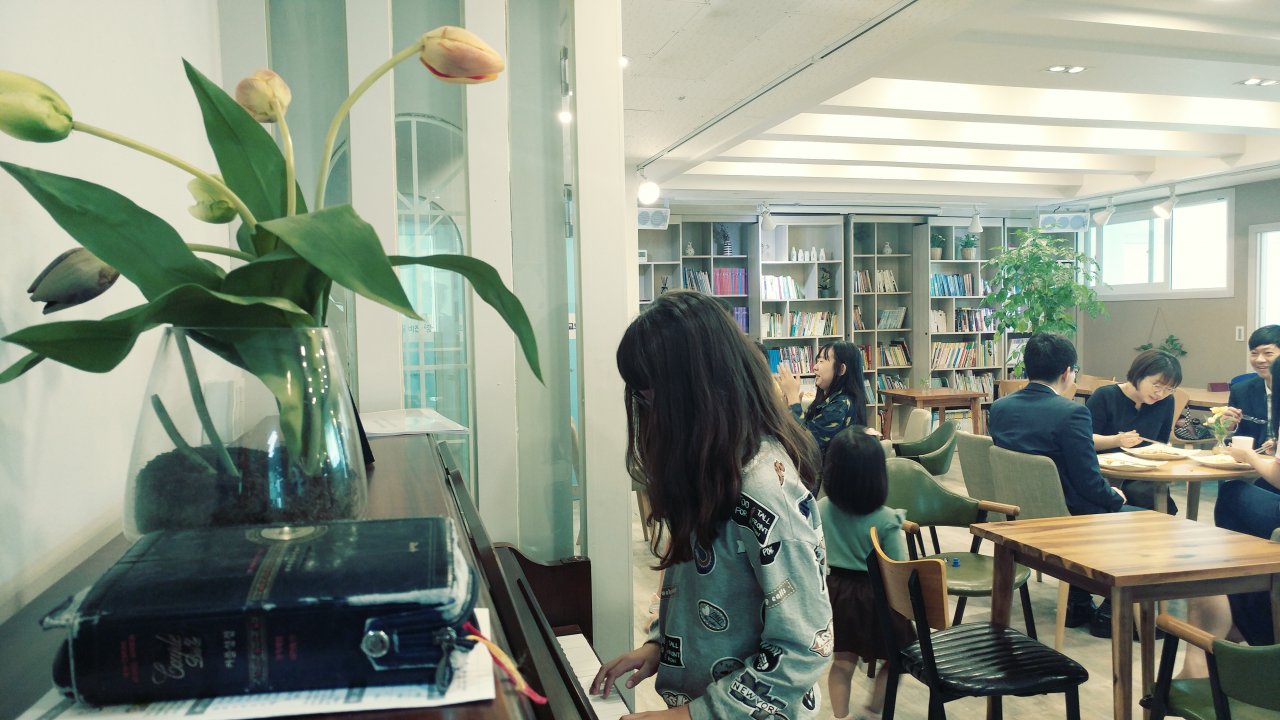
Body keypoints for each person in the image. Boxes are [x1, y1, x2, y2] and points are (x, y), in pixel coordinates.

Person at [592, 290, 831, 719]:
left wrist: (689, 716)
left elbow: (803, 648)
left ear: (694, 395)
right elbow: (699, 587)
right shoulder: (711, 470)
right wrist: (659, 645)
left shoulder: (765, 490)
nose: (648, 416)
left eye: (651, 399)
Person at [988, 332, 1135, 639]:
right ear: (1068, 372)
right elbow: (1089, 482)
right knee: (1141, 518)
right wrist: (1114, 497)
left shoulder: (1000, 407)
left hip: (1017, 512)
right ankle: (1110, 611)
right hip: (1063, 517)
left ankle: (1078, 602)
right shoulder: (1072, 413)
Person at [818, 426, 913, 720]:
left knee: (842, 664)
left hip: (836, 594)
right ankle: (872, 711)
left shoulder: (820, 509)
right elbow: (897, 568)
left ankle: (840, 717)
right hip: (877, 597)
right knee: (898, 659)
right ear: (878, 475)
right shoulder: (887, 520)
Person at [1086, 349, 1182, 512]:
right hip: (1106, 473)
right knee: (1142, 494)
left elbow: (1160, 442)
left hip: (1144, 473)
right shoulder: (1105, 396)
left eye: (1169, 389)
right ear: (1139, 374)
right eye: (1157, 385)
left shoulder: (1166, 402)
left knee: (1150, 492)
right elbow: (1085, 440)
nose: (1160, 394)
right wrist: (1116, 440)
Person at [777, 341, 869, 454]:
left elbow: (807, 443)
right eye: (817, 361)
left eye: (821, 361)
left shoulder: (841, 404)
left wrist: (793, 399)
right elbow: (808, 427)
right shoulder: (829, 399)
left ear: (841, 369)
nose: (815, 367)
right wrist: (790, 407)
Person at [1226, 325, 1280, 454]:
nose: (1260, 360)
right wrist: (1228, 427)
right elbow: (1234, 437)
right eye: (1254, 353)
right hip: (1252, 461)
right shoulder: (1240, 390)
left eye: (1268, 353)